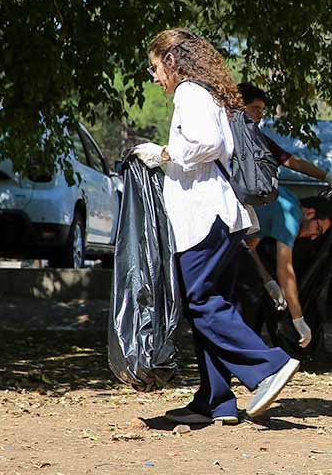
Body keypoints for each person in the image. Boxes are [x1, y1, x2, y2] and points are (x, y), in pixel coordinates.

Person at [132, 28, 299, 425]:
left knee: (200, 301)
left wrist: (163, 153)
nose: (155, 77)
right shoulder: (209, 94)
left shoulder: (190, 93)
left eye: (156, 67)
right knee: (211, 302)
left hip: (203, 217)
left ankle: (268, 367)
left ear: (172, 61)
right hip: (222, 217)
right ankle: (216, 401)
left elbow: (206, 144)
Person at [236, 83, 332, 349]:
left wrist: (326, 177)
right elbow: (287, 271)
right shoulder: (289, 213)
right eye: (255, 109)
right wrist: (298, 318)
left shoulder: (258, 139)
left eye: (262, 110)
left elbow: (290, 161)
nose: (260, 115)